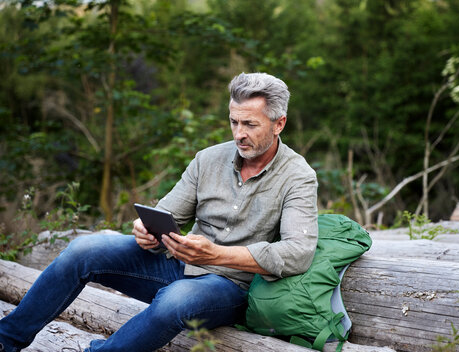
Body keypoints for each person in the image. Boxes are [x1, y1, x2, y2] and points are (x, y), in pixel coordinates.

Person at [0, 72, 319, 352]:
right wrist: (145, 228)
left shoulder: (298, 175)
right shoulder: (207, 159)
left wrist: (216, 255)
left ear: (279, 124)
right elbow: (168, 212)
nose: (238, 133)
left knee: (175, 300)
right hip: (178, 263)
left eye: (250, 124)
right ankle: (6, 340)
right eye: (234, 121)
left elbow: (297, 252)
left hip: (232, 288)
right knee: (82, 249)